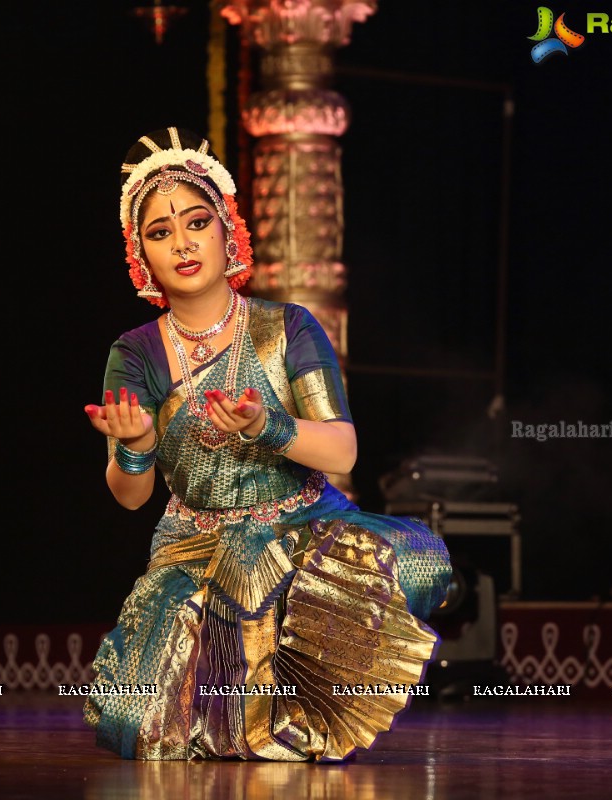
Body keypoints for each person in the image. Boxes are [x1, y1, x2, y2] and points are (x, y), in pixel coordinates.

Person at [82, 127, 451, 762]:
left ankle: (302, 692)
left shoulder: (288, 328)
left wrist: (268, 428)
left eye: (196, 221)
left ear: (229, 232)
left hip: (301, 530)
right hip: (194, 549)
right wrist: (137, 446)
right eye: (160, 232)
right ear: (141, 255)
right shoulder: (135, 352)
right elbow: (129, 496)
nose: (183, 242)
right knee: (132, 716)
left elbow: (342, 452)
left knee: (409, 561)